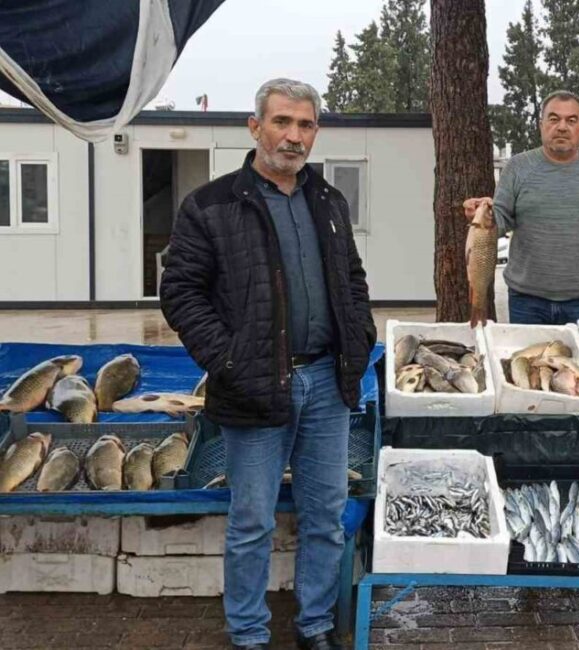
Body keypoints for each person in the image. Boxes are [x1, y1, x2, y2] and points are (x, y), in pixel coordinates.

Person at [160, 78, 377, 650]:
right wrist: (228, 360)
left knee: (325, 516)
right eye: (282, 122)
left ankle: (314, 627)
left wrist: (360, 332)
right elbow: (181, 293)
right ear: (255, 127)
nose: (293, 136)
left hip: (327, 383)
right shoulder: (211, 205)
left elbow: (352, 280)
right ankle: (250, 635)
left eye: (305, 125)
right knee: (252, 522)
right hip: (253, 389)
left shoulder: (328, 202)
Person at [464, 90, 579, 325]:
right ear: (541, 125)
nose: (562, 127)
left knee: (577, 362)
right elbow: (502, 217)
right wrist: (485, 215)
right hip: (526, 300)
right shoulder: (517, 167)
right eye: (554, 119)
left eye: (571, 120)